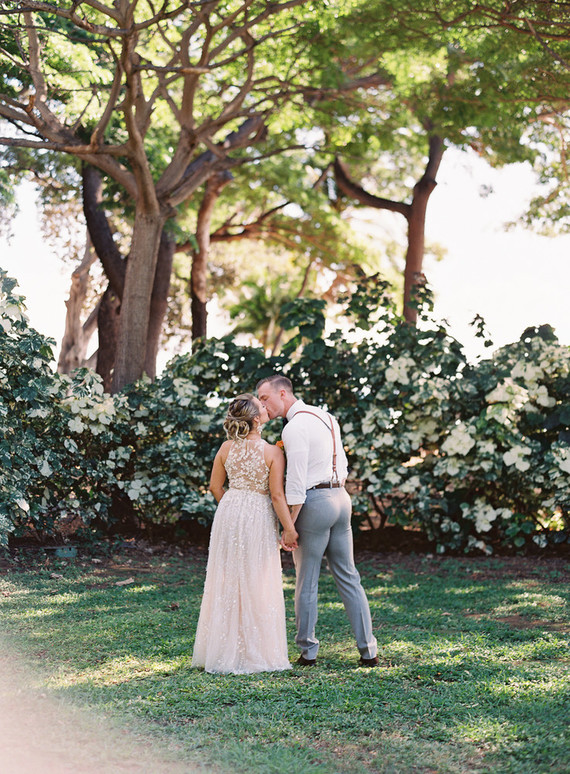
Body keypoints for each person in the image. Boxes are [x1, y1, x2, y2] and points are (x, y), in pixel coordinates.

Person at [257, 374, 379, 668]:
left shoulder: (295, 427)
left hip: (314, 502)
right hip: (340, 498)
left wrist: (290, 526)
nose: (263, 405)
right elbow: (343, 464)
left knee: (307, 581)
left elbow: (296, 481)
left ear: (283, 393)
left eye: (264, 398)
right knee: (349, 576)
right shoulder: (325, 416)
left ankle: (308, 651)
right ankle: (369, 651)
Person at [191, 394, 298, 675]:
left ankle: (222, 650)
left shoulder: (226, 448)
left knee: (227, 577)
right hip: (258, 514)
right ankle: (256, 652)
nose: (266, 408)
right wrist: (289, 528)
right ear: (255, 420)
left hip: (229, 511)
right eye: (262, 407)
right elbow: (276, 495)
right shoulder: (273, 452)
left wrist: (232, 505)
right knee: (257, 577)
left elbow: (215, 487)